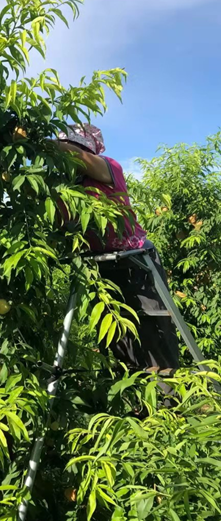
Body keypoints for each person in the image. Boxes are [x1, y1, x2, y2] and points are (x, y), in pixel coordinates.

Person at [55, 123, 180, 378]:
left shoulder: (108, 167)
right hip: (100, 265)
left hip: (137, 261)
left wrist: (34, 141)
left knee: (153, 334)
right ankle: (138, 402)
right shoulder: (64, 187)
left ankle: (169, 402)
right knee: (118, 336)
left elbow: (75, 156)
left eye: (75, 147)